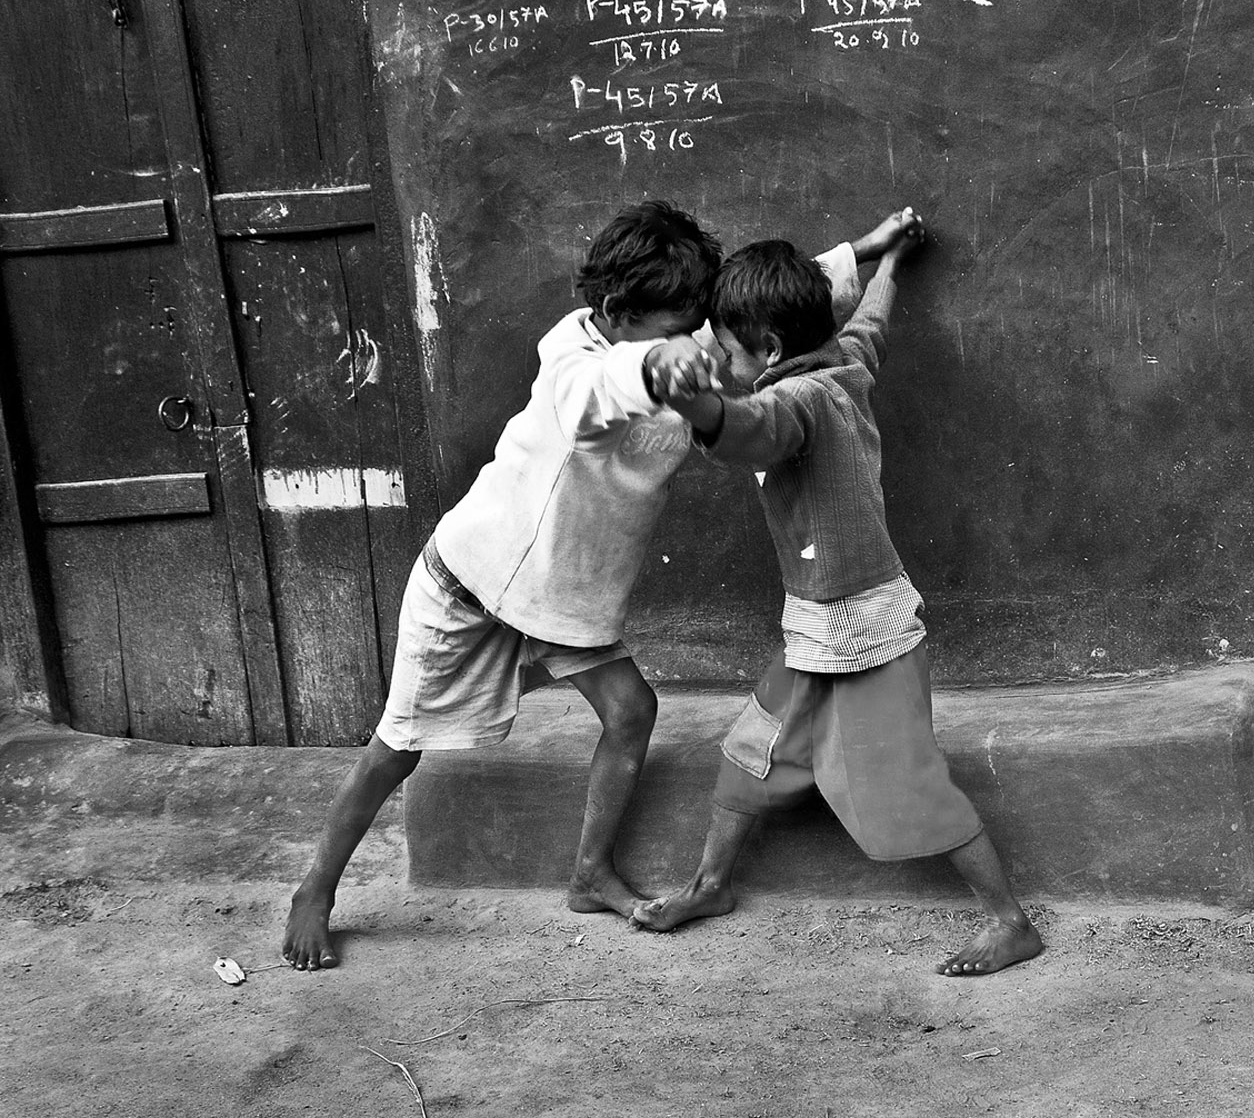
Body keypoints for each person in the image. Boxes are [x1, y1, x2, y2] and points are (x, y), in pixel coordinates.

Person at [281, 200, 905, 970]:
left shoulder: (682, 339)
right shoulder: (577, 360)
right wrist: (654, 368)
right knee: (397, 748)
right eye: (675, 330)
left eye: (697, 327)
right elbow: (598, 393)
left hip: (561, 601)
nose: (697, 340)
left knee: (631, 710)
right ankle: (316, 889)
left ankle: (588, 874)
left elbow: (767, 308)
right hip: (470, 585)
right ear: (615, 313)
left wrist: (865, 249)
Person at [631, 210, 1044, 977]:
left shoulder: (799, 403)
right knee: (751, 753)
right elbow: (871, 323)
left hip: (866, 641)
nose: (716, 355)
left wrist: (693, 403)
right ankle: (711, 886)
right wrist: (890, 260)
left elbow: (749, 429)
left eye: (725, 347)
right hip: (815, 634)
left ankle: (1010, 922)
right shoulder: (845, 360)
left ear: (769, 351)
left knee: (903, 786)